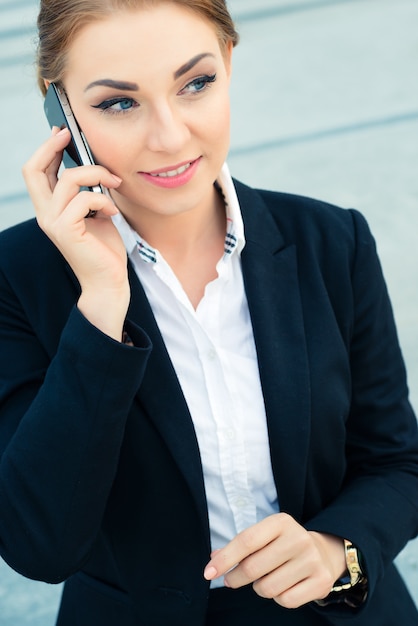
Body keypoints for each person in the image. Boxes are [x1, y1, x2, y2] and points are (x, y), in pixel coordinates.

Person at [0, 0, 417, 624]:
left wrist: (335, 551)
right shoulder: (16, 276)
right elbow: (40, 544)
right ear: (61, 112)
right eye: (119, 102)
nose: (170, 136)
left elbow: (395, 462)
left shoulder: (333, 240)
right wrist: (102, 307)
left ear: (228, 63)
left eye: (195, 83)